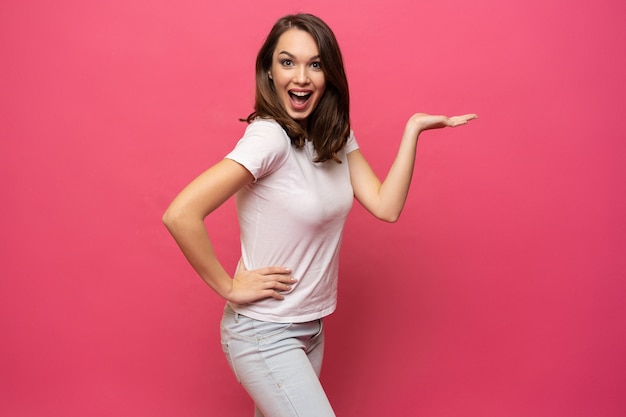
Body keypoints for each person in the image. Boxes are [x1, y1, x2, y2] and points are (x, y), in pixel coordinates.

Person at [163, 13, 476, 417]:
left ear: (329, 73)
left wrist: (412, 130)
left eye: (315, 64)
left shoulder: (334, 135)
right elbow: (181, 213)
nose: (302, 77)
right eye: (287, 62)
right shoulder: (269, 138)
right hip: (264, 333)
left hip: (310, 330)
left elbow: (386, 206)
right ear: (269, 72)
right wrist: (228, 287)